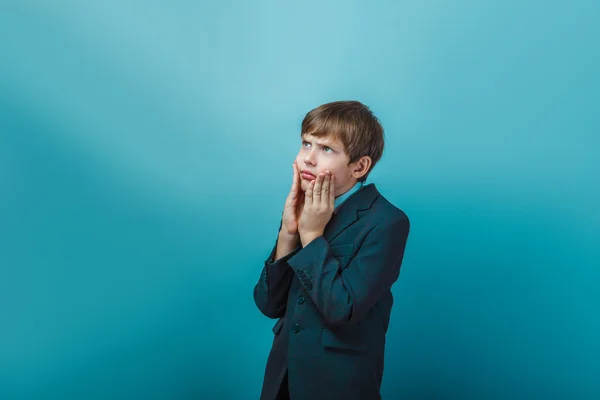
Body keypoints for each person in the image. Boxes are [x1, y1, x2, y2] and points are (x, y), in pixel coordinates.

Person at [253, 100, 410, 400]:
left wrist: (311, 235)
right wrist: (289, 232)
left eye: (326, 149)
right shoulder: (304, 206)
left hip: (337, 386)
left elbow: (343, 309)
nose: (309, 158)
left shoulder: (387, 222)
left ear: (359, 166)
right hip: (282, 382)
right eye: (306, 144)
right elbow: (268, 304)